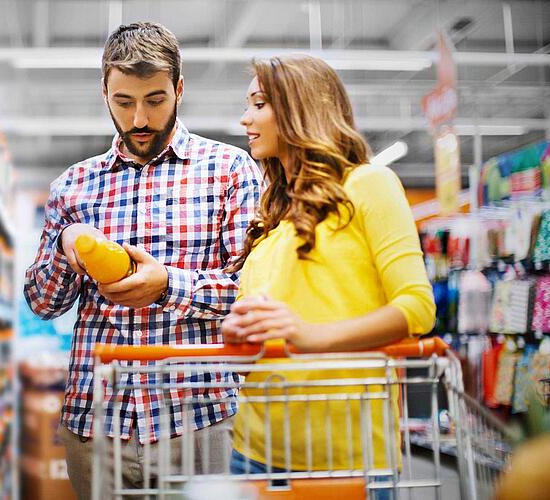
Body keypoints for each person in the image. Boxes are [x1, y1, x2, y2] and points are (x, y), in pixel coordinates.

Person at [24, 22, 263, 500]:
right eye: (123, 102)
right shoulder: (74, 185)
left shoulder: (231, 171)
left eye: (154, 101)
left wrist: (167, 286)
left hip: (198, 418)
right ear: (104, 92)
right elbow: (42, 302)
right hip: (95, 422)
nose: (138, 120)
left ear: (178, 88)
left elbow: (251, 292)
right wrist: (67, 246)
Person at [221, 55, 436, 494]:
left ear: (302, 107)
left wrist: (308, 337)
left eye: (259, 104)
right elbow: (267, 339)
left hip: (347, 456)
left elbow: (417, 308)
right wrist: (240, 338)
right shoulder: (270, 223)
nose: (245, 118)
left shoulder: (368, 184)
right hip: (255, 449)